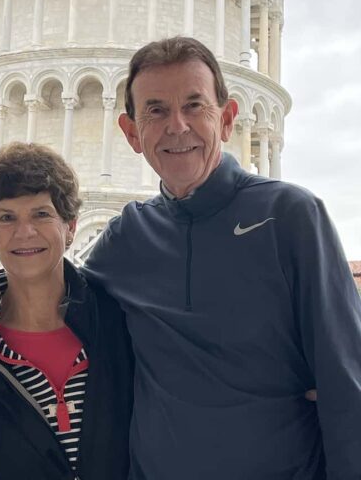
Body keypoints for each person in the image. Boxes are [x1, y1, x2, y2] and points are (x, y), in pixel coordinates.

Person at [83, 36, 361, 479]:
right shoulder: (126, 238)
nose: (177, 126)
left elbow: (346, 381)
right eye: (155, 110)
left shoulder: (290, 216)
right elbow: (50, 307)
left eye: (195, 106)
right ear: (132, 133)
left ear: (227, 119)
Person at [0, 142, 133, 480]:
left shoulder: (120, 326)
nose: (24, 232)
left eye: (41, 214)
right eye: (7, 218)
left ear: (71, 227)